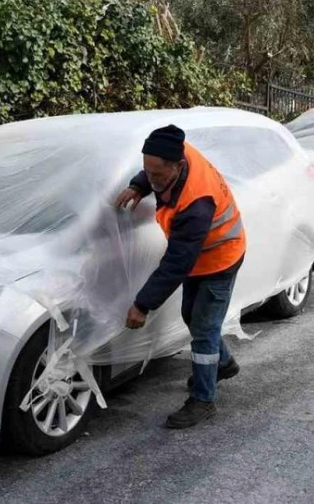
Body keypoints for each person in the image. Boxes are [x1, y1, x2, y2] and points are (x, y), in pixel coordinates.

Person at [115, 124, 247, 429]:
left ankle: (203, 400)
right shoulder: (174, 149)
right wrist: (139, 185)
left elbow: (176, 263)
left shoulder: (196, 203)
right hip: (199, 258)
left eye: (158, 175)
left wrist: (142, 304)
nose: (153, 179)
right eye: (148, 171)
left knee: (203, 328)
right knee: (193, 317)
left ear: (178, 166)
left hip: (221, 257)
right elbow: (152, 169)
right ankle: (223, 364)